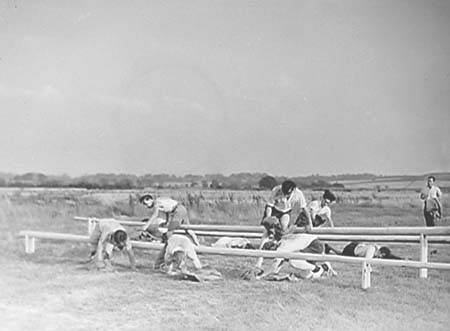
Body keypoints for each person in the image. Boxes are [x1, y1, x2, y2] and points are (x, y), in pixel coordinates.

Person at [255, 180, 312, 270]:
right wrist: (268, 219)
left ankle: (275, 249)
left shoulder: (299, 194)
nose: (285, 196)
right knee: (266, 232)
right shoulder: (276, 190)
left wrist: (310, 223)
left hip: (286, 211)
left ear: (293, 190)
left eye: (287, 194)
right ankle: (259, 259)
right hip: (274, 210)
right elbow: (269, 206)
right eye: (284, 193)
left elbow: (304, 209)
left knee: (283, 231)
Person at [139, 193, 200, 269]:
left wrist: (146, 226)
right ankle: (199, 247)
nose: (146, 206)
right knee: (188, 230)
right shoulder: (161, 201)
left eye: (145, 203)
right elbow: (167, 211)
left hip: (178, 211)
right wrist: (167, 222)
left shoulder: (156, 203)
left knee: (169, 234)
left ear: (150, 199)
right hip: (181, 208)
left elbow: (155, 215)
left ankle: (171, 257)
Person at [241, 233, 336, 281]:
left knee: (293, 261)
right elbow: (277, 268)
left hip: (313, 245)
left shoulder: (281, 249)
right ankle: (324, 267)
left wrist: (259, 276)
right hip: (313, 243)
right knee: (305, 275)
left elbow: (274, 268)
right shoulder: (281, 244)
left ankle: (318, 268)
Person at [325, 241, 402, 259]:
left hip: (356, 247)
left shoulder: (376, 249)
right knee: (341, 254)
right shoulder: (372, 249)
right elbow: (367, 260)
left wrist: (400, 258)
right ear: (379, 252)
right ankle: (329, 247)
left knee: (340, 252)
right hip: (353, 250)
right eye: (380, 255)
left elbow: (390, 255)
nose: (380, 257)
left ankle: (329, 247)